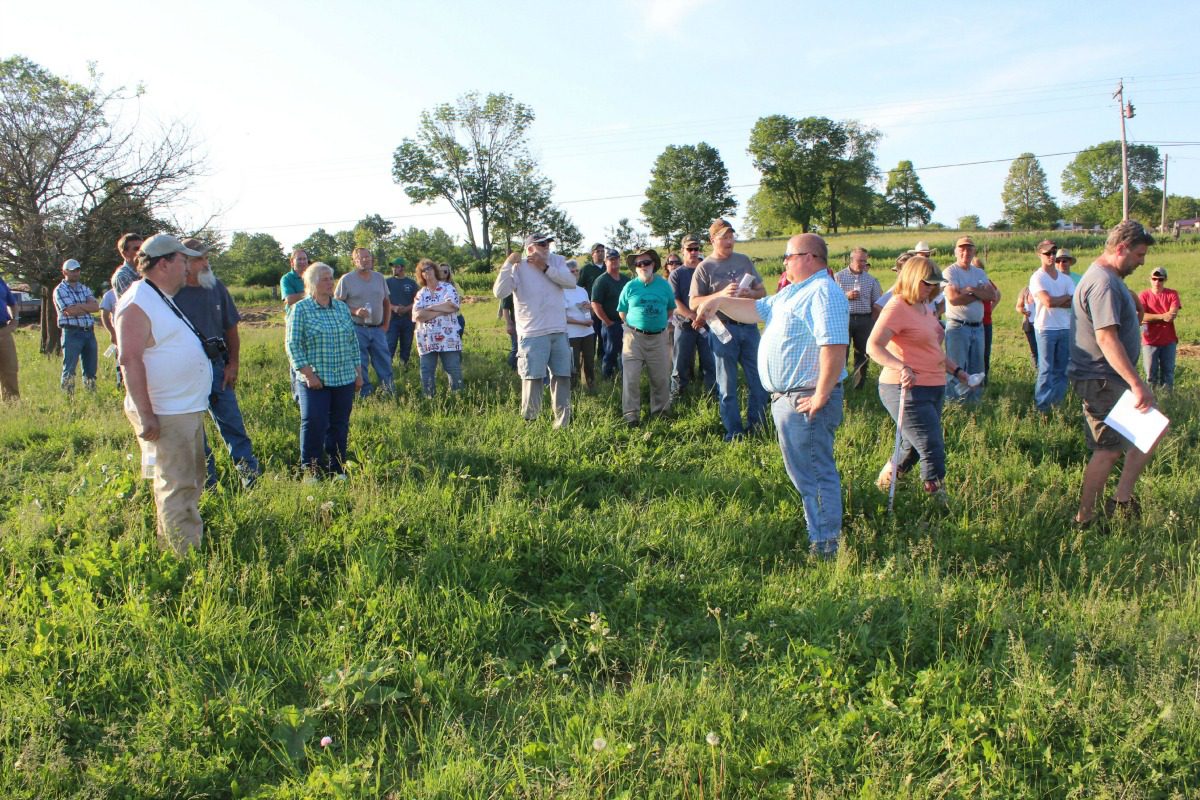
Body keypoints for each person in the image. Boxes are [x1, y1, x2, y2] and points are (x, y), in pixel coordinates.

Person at [696, 233, 849, 559]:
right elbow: (754, 311)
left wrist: (821, 394)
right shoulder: (795, 292)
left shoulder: (823, 292)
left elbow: (834, 344)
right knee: (805, 472)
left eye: (788, 255)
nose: (784, 261)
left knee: (814, 472)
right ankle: (820, 535)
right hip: (789, 398)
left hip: (806, 397)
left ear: (809, 257)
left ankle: (826, 546)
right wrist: (718, 301)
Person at [115, 234, 212, 554]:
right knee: (177, 485)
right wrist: (146, 415)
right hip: (166, 413)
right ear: (164, 263)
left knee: (187, 481)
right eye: (183, 260)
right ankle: (183, 561)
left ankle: (175, 546)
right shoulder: (137, 301)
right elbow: (129, 359)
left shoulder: (159, 297)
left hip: (181, 409)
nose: (188, 266)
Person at [1069, 220, 1161, 526]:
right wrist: (1136, 383)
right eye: (1138, 255)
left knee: (1151, 429)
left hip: (1110, 378)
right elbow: (1106, 337)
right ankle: (1084, 519)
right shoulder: (1103, 283)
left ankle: (1120, 500)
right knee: (1107, 449)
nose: (1142, 262)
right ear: (1120, 248)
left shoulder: (1109, 279)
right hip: (1101, 378)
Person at [867, 255, 971, 502]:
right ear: (913, 279)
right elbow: (873, 346)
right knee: (930, 445)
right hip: (905, 387)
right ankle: (936, 502)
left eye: (935, 284)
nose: (932, 289)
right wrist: (901, 366)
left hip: (934, 385)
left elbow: (933, 349)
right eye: (927, 283)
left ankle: (883, 487)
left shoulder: (925, 307)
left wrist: (958, 372)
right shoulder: (896, 307)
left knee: (912, 447)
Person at [174, 239, 262, 488]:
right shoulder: (171, 294)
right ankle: (208, 485)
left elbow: (231, 328)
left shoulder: (216, 288)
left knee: (233, 425)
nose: (206, 263)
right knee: (195, 434)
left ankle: (250, 479)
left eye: (207, 257)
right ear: (185, 263)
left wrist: (233, 364)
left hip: (217, 368)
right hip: (186, 374)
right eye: (200, 259)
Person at [688, 218, 769, 441]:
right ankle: (734, 432)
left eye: (731, 236)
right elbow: (694, 302)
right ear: (712, 240)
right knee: (727, 385)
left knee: (759, 381)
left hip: (750, 328)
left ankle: (758, 427)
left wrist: (749, 294)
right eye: (724, 237)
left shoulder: (744, 260)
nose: (729, 241)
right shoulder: (704, 268)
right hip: (723, 330)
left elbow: (761, 291)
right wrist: (721, 294)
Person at [286, 262, 363, 480]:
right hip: (315, 380)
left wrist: (358, 373)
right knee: (314, 422)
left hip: (343, 378)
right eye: (325, 279)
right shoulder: (300, 309)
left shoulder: (340, 307)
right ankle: (310, 470)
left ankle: (336, 467)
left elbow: (352, 342)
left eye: (331, 278)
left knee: (339, 424)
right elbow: (293, 344)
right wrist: (309, 374)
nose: (330, 282)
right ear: (312, 283)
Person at [493, 233, 576, 427]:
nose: (547, 246)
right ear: (530, 249)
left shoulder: (557, 261)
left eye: (548, 243)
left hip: (558, 330)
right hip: (532, 333)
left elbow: (570, 282)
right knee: (532, 379)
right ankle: (531, 423)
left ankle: (562, 423)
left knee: (562, 377)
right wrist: (507, 264)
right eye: (541, 244)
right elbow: (499, 292)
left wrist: (544, 267)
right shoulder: (518, 267)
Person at [617, 248, 675, 425]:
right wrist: (635, 327)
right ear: (635, 267)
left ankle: (660, 413)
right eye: (638, 264)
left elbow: (670, 309)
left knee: (660, 378)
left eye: (646, 262)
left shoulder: (664, 285)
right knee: (631, 378)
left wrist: (655, 324)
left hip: (658, 338)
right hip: (634, 338)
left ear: (654, 264)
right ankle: (631, 415)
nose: (643, 266)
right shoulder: (630, 286)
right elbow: (622, 311)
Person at [942, 236, 996, 401]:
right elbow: (954, 299)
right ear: (956, 251)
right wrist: (979, 294)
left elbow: (991, 295)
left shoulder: (979, 272)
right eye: (962, 248)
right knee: (956, 367)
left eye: (969, 249)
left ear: (974, 252)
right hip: (958, 326)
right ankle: (953, 403)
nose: (966, 252)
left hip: (978, 327)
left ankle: (973, 403)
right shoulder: (950, 272)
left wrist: (970, 290)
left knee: (977, 369)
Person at [335, 247, 394, 398]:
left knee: (384, 362)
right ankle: (365, 395)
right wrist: (355, 311)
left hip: (378, 329)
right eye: (361, 258)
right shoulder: (346, 279)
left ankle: (388, 393)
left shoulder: (379, 278)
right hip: (356, 328)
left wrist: (385, 325)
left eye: (368, 257)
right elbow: (337, 305)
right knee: (360, 364)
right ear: (354, 261)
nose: (365, 260)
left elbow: (387, 302)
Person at [1029, 239, 1074, 412]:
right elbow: (1047, 302)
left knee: (1062, 370)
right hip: (1046, 328)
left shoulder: (1064, 278)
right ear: (1039, 255)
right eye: (1047, 253)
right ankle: (1042, 406)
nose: (1051, 256)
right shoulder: (1037, 277)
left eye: (1053, 252)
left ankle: (1057, 404)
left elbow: (1073, 302)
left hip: (1064, 327)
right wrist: (1062, 299)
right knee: (1046, 370)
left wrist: (1057, 301)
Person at [669, 234, 715, 399]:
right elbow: (674, 301)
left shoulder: (706, 271)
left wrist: (702, 317)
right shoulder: (676, 274)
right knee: (680, 367)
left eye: (696, 249)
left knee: (710, 364)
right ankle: (677, 399)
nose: (693, 252)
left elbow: (713, 296)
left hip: (706, 324)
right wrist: (691, 316)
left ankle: (713, 399)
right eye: (690, 249)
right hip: (684, 327)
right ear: (683, 251)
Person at [412, 258, 464, 398]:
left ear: (435, 269)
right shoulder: (421, 293)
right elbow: (417, 315)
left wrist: (430, 308)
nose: (427, 271)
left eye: (429, 268)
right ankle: (429, 398)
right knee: (427, 369)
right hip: (427, 339)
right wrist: (441, 311)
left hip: (448, 338)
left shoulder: (447, 288)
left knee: (452, 368)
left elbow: (452, 306)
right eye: (423, 270)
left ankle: (457, 398)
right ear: (420, 274)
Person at [833, 247, 882, 389]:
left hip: (864, 320)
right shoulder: (838, 277)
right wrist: (845, 296)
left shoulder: (871, 280)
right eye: (860, 260)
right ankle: (838, 384)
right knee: (841, 352)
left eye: (865, 261)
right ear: (852, 260)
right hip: (843, 319)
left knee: (863, 353)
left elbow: (876, 303)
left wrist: (871, 321)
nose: (863, 264)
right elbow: (831, 301)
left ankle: (858, 386)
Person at [53, 258, 100, 393]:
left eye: (77, 270)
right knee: (69, 369)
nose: (75, 273)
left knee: (91, 368)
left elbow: (96, 307)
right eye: (72, 271)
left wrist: (78, 306)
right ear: (64, 272)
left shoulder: (84, 288)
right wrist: (86, 306)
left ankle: (91, 394)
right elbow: (70, 311)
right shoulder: (60, 290)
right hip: (72, 333)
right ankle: (69, 398)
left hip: (89, 332)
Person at [591, 248, 629, 380]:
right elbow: (595, 303)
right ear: (606, 261)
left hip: (626, 323)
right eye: (611, 259)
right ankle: (607, 379)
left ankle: (625, 378)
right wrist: (607, 322)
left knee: (627, 352)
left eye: (616, 258)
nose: (614, 261)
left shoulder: (625, 279)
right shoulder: (601, 281)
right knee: (610, 353)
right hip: (611, 323)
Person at [1139, 267, 1180, 390]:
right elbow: (1141, 317)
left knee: (1168, 375)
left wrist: (1152, 317)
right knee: (1151, 376)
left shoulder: (1172, 294)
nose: (1157, 282)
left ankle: (1168, 402)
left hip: (1168, 340)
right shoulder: (1144, 295)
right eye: (1154, 279)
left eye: (1160, 279)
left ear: (1165, 280)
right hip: (1149, 340)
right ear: (1150, 279)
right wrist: (1162, 315)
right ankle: (1152, 401)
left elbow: (1172, 315)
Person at [564, 260, 596, 392]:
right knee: (574, 363)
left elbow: (588, 311)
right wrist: (581, 323)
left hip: (588, 332)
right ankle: (574, 390)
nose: (575, 273)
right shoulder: (562, 291)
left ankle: (591, 386)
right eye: (572, 271)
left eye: (577, 271)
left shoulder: (582, 290)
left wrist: (590, 310)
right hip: (572, 334)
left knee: (589, 362)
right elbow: (563, 317)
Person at [385, 256, 419, 368]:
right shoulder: (387, 282)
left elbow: (418, 300)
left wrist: (407, 308)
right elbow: (382, 300)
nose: (394, 269)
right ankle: (388, 369)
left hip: (408, 319)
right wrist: (394, 307)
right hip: (392, 319)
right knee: (390, 344)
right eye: (393, 267)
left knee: (406, 344)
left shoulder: (412, 283)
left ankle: (403, 367)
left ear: (403, 268)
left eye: (396, 267)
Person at [579, 243, 607, 358]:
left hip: (607, 308)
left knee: (604, 335)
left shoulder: (608, 267)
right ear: (592, 254)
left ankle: (602, 359)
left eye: (602, 251)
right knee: (592, 334)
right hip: (592, 309)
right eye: (598, 251)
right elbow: (579, 288)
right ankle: (590, 360)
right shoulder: (587, 269)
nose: (601, 253)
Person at [0, 274, 20, 400]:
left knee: (10, 370)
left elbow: (12, 302)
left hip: (3, 331)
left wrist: (15, 321)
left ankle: (12, 405)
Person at [98, 286, 122, 386]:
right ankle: (120, 382)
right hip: (119, 333)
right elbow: (104, 315)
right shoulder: (109, 295)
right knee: (121, 359)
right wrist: (112, 333)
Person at [111, 232, 143, 299]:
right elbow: (137, 301)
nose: (141, 251)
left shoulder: (146, 271)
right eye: (136, 249)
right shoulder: (122, 276)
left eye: (142, 247)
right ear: (125, 254)